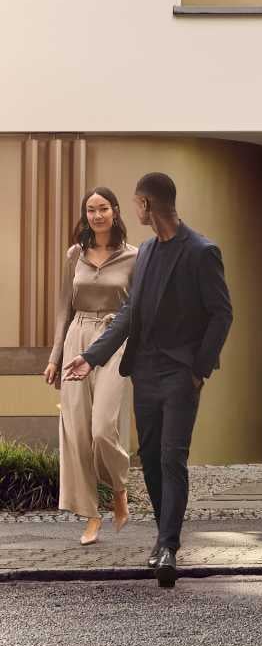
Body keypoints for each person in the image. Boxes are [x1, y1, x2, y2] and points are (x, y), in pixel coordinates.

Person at [65, 172, 232, 588]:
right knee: (153, 458)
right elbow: (130, 313)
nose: (135, 208)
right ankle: (164, 536)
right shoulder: (149, 253)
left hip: (180, 374)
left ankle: (168, 546)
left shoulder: (201, 251)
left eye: (136, 203)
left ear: (145, 205)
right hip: (145, 372)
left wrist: (198, 370)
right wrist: (91, 357)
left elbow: (221, 313)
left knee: (173, 457)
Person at [45, 188, 139, 546]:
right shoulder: (75, 255)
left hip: (116, 341)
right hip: (76, 339)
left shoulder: (135, 256)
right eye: (90, 210)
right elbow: (62, 309)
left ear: (114, 212)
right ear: (85, 216)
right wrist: (55, 357)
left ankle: (118, 490)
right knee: (77, 433)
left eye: (103, 208)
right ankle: (92, 515)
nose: (97, 215)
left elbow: (137, 309)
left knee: (102, 428)